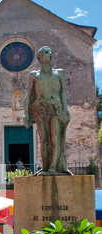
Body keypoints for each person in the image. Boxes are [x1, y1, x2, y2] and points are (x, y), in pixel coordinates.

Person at [24, 46, 71, 175]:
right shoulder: (34, 75)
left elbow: (63, 93)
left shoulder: (59, 73)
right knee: (44, 140)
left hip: (56, 108)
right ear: (39, 57)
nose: (49, 53)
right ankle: (45, 167)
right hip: (40, 109)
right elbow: (29, 94)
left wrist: (65, 109)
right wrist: (26, 113)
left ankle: (53, 167)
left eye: (50, 52)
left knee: (55, 138)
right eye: (46, 52)